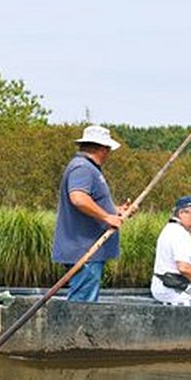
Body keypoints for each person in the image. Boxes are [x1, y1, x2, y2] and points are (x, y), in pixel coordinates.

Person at [52, 125, 133, 302]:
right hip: (84, 249)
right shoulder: (83, 168)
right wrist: (107, 217)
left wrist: (117, 211)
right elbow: (79, 198)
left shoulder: (88, 168)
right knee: (83, 302)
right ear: (102, 149)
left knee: (86, 298)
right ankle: (75, 330)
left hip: (89, 249)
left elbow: (90, 201)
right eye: (108, 149)